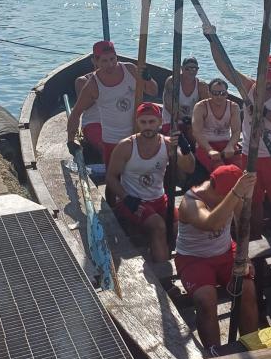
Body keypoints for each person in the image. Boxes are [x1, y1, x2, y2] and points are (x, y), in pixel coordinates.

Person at [204, 24, 271, 237]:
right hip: (249, 153)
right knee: (252, 202)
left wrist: (264, 113)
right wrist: (212, 40)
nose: (269, 82)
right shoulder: (249, 86)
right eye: (266, 77)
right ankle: (253, 239)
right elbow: (225, 68)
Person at [176, 164, 259, 354]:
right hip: (193, 258)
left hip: (225, 251)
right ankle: (214, 353)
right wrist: (236, 193)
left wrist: (244, 256)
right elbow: (211, 224)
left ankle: (251, 345)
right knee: (205, 299)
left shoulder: (234, 196)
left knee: (247, 288)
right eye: (228, 196)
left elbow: (242, 222)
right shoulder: (191, 202)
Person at [106, 103, 195, 262]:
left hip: (159, 199)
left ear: (160, 122)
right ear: (137, 122)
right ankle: (164, 279)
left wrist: (185, 148)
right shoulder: (126, 146)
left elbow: (189, 168)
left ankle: (185, 267)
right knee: (158, 226)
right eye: (143, 122)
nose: (147, 126)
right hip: (133, 201)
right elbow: (111, 178)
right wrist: (126, 198)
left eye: (152, 122)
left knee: (181, 226)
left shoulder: (168, 144)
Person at [67, 41, 158, 172]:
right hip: (111, 137)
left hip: (135, 129)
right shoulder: (92, 84)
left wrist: (148, 78)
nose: (110, 65)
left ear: (117, 57)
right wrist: (70, 141)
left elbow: (153, 92)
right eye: (104, 61)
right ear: (95, 62)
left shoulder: (130, 70)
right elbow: (76, 113)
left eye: (112, 59)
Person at [191, 78, 242, 173]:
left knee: (240, 167)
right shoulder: (200, 107)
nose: (219, 97)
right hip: (205, 145)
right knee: (221, 170)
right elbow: (196, 132)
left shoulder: (234, 107)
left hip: (226, 144)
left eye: (222, 93)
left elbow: (236, 131)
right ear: (209, 94)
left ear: (226, 94)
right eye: (215, 93)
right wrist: (209, 150)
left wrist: (230, 146)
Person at [162, 56, 208, 134]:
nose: (191, 71)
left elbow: (205, 107)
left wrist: (193, 120)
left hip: (192, 121)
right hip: (171, 121)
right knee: (176, 136)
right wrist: (183, 118)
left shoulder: (201, 86)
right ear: (182, 68)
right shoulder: (172, 81)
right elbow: (168, 104)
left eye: (194, 69)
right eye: (187, 69)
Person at [74, 62, 103, 159]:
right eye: (102, 60)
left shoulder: (122, 78)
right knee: (103, 146)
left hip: (116, 122)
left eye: (112, 59)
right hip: (94, 123)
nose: (108, 64)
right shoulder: (83, 81)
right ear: (94, 60)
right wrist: (99, 92)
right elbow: (83, 107)